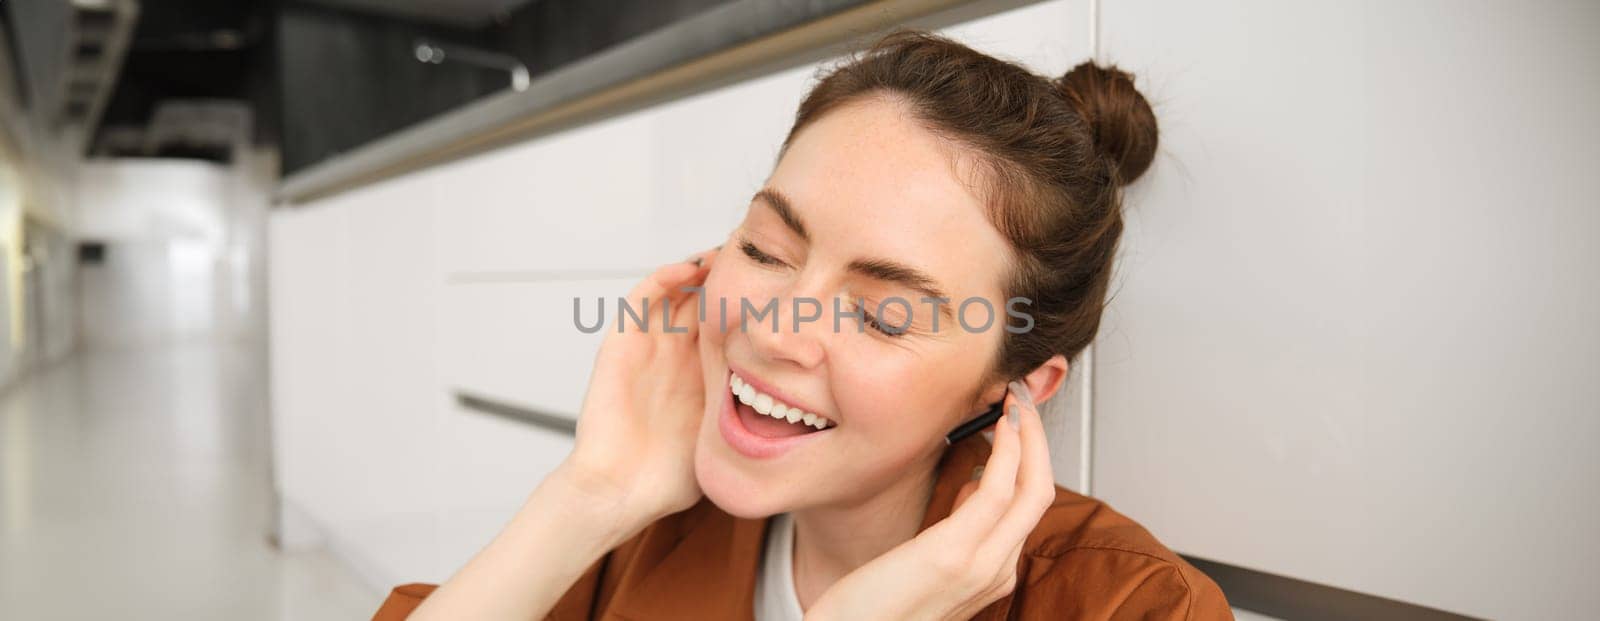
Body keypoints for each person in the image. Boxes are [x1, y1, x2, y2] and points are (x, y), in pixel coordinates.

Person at [373, 30, 1232, 620]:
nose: (775, 327)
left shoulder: (1133, 605)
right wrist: (587, 496)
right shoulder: (642, 529)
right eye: (768, 248)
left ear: (1013, 386)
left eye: (881, 314)